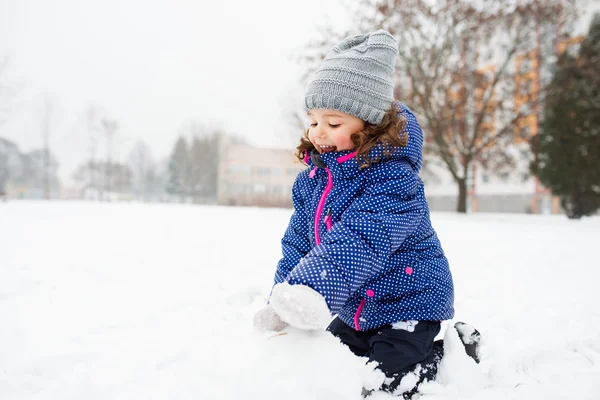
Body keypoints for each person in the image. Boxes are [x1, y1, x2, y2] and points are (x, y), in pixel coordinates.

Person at [254, 30, 480, 398]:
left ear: (369, 123)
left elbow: (361, 237)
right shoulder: (313, 182)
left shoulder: (393, 180)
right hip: (358, 308)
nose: (318, 132)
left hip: (410, 302)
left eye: (334, 122)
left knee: (384, 383)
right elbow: (297, 245)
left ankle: (450, 352)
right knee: (332, 366)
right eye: (313, 120)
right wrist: (281, 300)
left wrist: (310, 289)